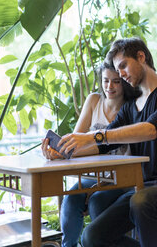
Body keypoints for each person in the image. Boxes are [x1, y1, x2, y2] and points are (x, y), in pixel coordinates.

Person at [55, 37, 157, 247]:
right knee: (91, 237)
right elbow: (102, 145)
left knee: (140, 201)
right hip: (145, 189)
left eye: (123, 66)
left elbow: (152, 129)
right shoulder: (129, 108)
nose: (121, 74)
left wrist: (94, 135)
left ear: (141, 57)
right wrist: (63, 150)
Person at [42, 61, 141, 247]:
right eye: (105, 81)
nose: (109, 87)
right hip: (93, 175)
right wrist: (58, 152)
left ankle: (100, 242)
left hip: (121, 177)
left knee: (97, 201)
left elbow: (108, 145)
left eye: (116, 82)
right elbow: (75, 140)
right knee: (72, 197)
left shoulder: (130, 108)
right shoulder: (94, 100)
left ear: (124, 83)